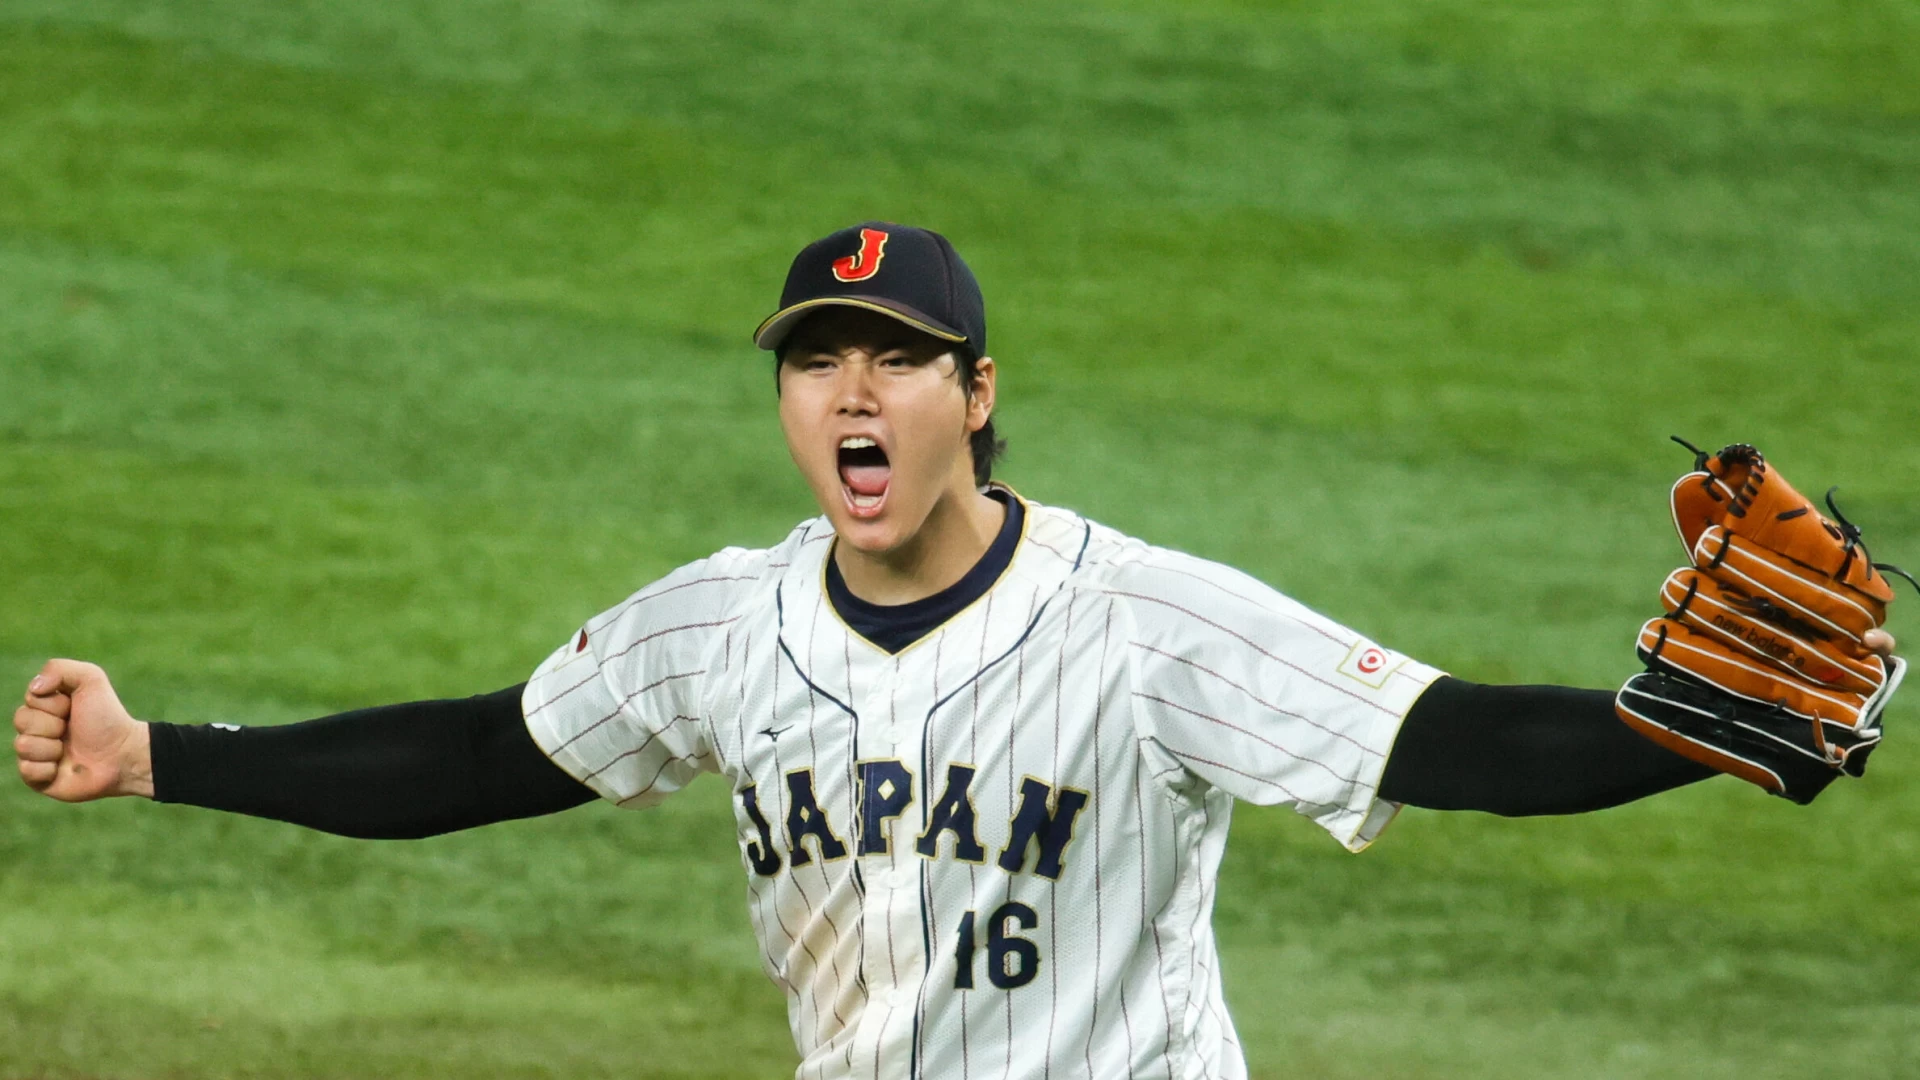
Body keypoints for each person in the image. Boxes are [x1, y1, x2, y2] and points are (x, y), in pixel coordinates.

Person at [13, 222, 1899, 1080]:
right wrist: (159, 751)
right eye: (817, 360)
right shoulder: (718, 631)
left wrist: (1702, 731)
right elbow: (473, 760)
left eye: (898, 356)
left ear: (974, 395)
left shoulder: (1141, 624)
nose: (853, 389)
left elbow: (1444, 740)